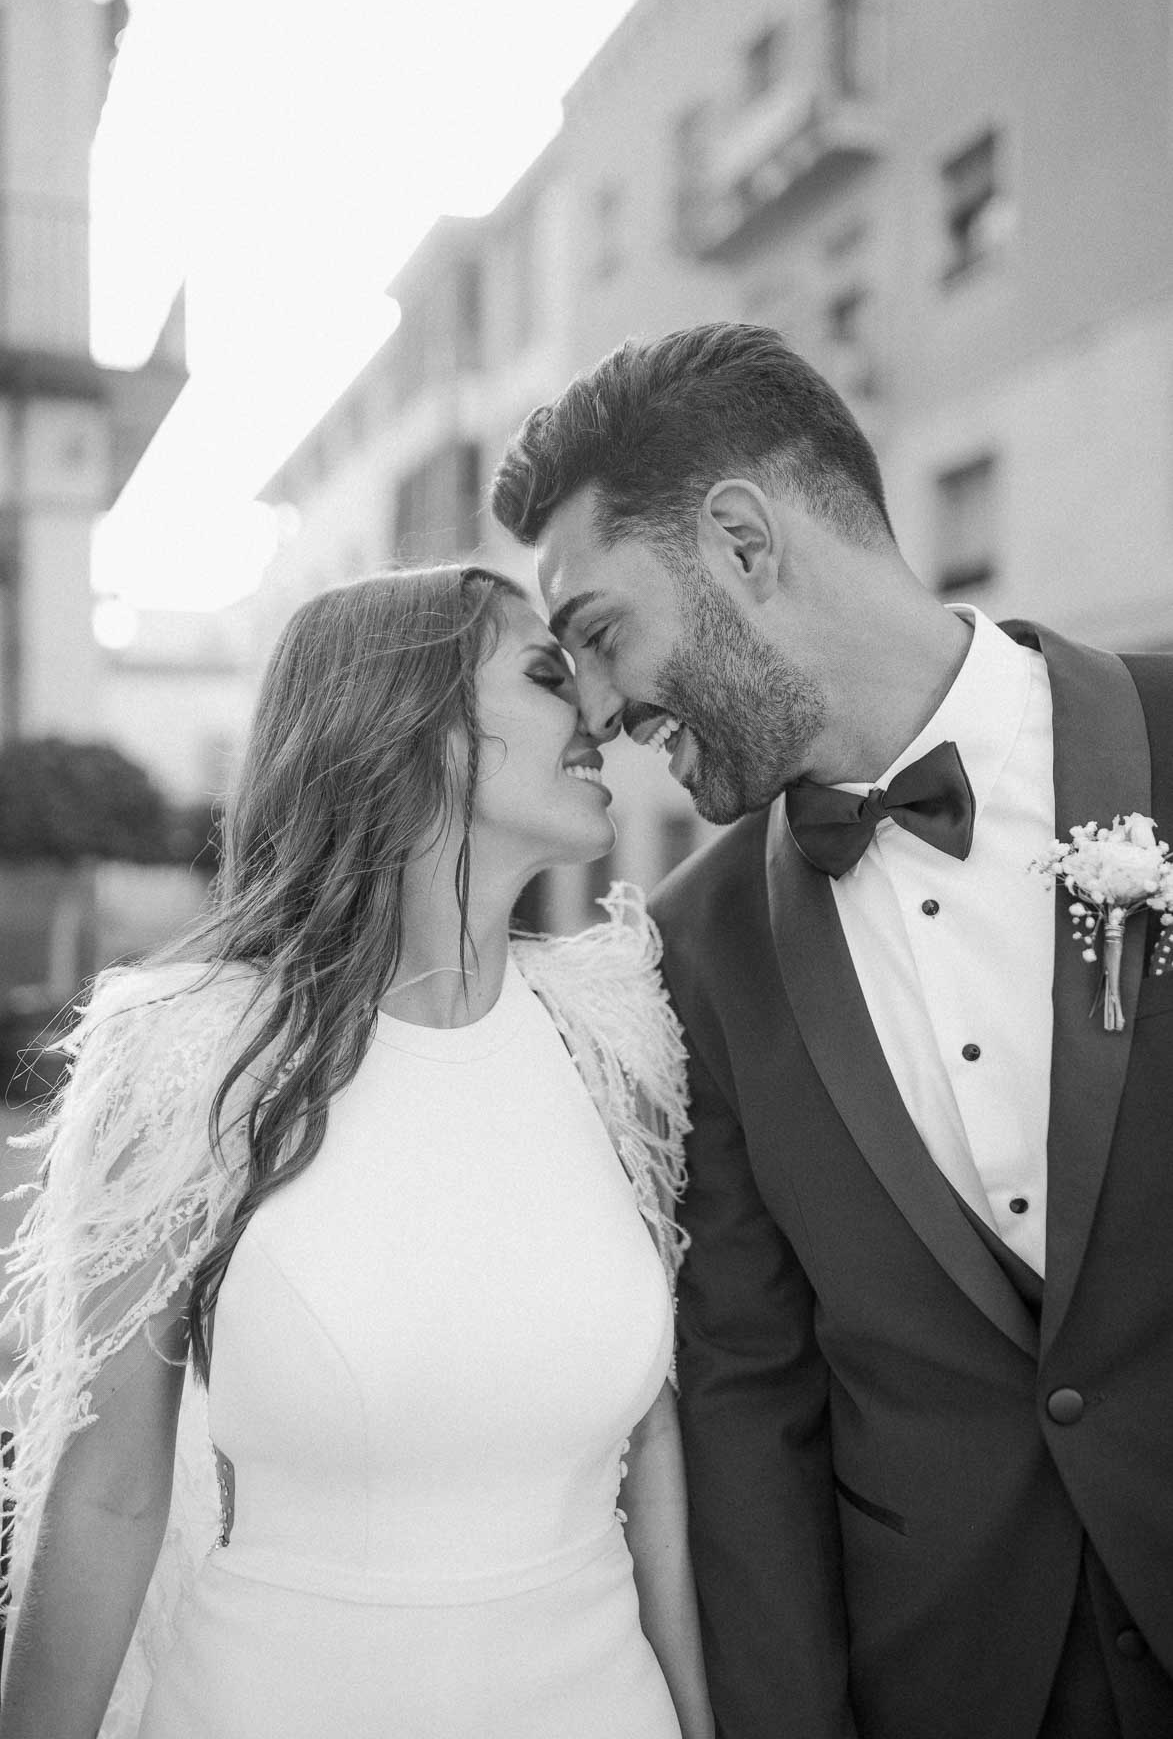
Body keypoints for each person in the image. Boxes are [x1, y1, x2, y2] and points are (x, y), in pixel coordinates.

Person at [491, 321, 1173, 1739]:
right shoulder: (691, 944)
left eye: (601, 634)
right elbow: (749, 1396)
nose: (602, 715)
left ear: (743, 544)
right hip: (952, 1685)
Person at [0, 565, 715, 1739]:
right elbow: (112, 1495)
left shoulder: (615, 1029)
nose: (599, 706)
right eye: (546, 673)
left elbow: (656, 1446)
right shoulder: (191, 1055)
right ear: (408, 727)